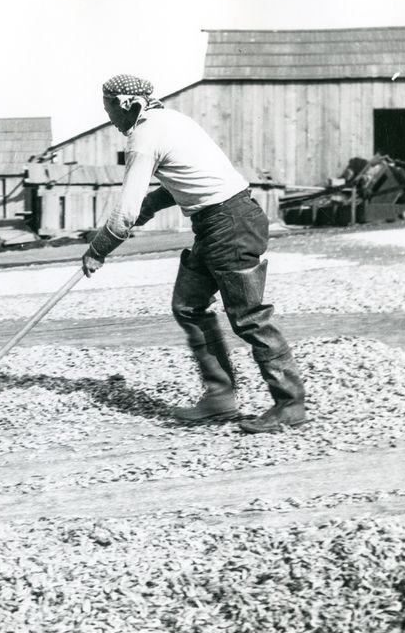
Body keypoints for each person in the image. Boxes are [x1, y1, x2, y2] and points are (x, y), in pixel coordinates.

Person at [81, 74, 306, 434]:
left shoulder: (143, 136)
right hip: (219, 222)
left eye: (108, 108)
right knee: (188, 305)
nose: (109, 119)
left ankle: (289, 404)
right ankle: (220, 397)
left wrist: (98, 250)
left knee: (249, 318)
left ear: (125, 105)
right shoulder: (174, 121)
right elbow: (184, 183)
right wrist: (149, 207)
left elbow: (123, 216)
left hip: (229, 224)